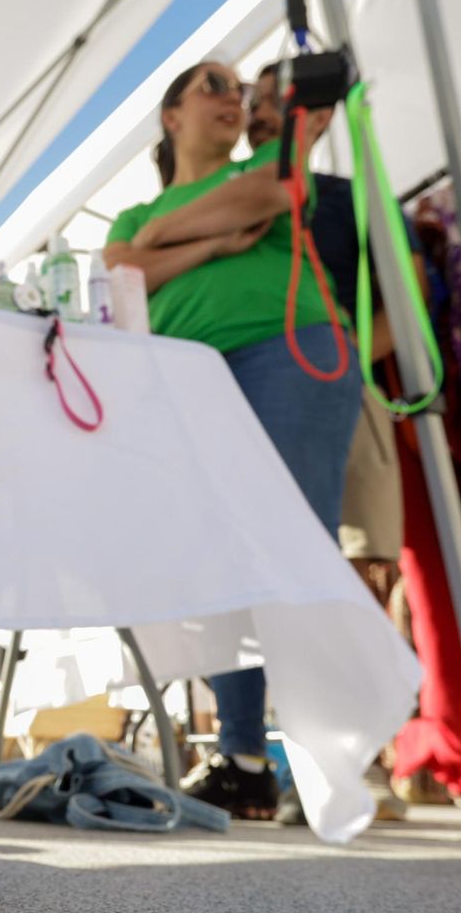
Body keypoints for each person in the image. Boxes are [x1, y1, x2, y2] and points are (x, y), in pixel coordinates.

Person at [104, 61, 362, 819]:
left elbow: (268, 195)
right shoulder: (131, 217)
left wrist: (163, 239)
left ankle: (336, 756)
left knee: (297, 548)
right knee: (220, 564)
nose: (234, 97)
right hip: (182, 379)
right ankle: (244, 759)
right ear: (171, 115)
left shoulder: (266, 161)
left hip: (287, 351)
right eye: (212, 85)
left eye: (239, 90)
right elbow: (122, 270)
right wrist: (213, 243)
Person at [244, 62, 423, 823]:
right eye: (252, 103)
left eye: (275, 102)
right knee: (253, 578)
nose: (259, 114)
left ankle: (356, 757)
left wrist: (345, 364)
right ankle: (257, 760)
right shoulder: (237, 200)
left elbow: (407, 298)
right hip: (247, 395)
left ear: (315, 116)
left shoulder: (353, 199)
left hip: (335, 390)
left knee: (353, 570)